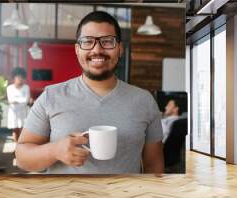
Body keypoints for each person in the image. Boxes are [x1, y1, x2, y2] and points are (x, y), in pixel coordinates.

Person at [15, 11, 164, 174]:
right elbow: (22, 158)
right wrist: (55, 150)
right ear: (77, 49)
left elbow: (153, 165)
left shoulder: (145, 101)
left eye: (107, 41)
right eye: (87, 41)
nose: (97, 50)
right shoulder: (51, 96)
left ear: (120, 49)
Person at [6, 67, 32, 142]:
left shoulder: (26, 87)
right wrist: (20, 101)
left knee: (22, 130)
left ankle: (21, 148)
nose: (20, 79)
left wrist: (18, 101)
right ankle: (16, 147)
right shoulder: (9, 88)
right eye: (18, 77)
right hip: (13, 113)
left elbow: (27, 99)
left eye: (21, 77)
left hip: (23, 112)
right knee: (15, 131)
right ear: (14, 78)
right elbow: (10, 100)